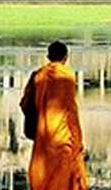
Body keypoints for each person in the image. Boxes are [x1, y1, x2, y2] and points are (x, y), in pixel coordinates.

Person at [20, 40, 87, 190]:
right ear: (66, 57)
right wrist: (78, 137)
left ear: (48, 56)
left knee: (43, 174)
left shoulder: (38, 75)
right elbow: (70, 109)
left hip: (43, 134)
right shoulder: (67, 76)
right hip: (64, 134)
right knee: (66, 174)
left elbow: (25, 104)